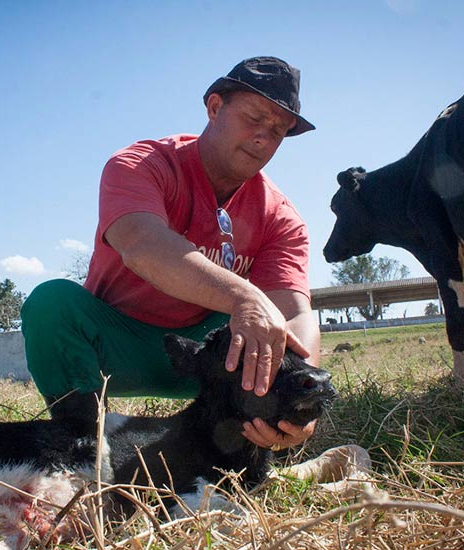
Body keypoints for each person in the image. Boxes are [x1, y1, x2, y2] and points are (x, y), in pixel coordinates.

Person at [22, 56, 320, 450]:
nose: (263, 138)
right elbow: (141, 245)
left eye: (278, 131)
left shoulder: (280, 216)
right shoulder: (142, 164)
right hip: (117, 342)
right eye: (254, 118)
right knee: (51, 303)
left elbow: (295, 313)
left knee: (271, 326)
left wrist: (305, 394)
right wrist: (245, 296)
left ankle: (240, 447)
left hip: (208, 352)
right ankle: (82, 444)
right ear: (215, 107)